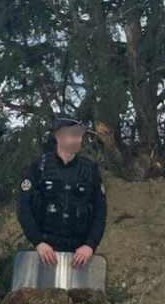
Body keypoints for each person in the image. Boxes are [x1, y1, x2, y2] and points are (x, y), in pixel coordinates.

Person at [17, 113, 107, 269]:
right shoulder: (39, 167)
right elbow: (23, 207)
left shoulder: (90, 170)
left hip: (79, 255)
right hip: (45, 252)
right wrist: (38, 242)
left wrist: (90, 245)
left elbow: (100, 211)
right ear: (57, 136)